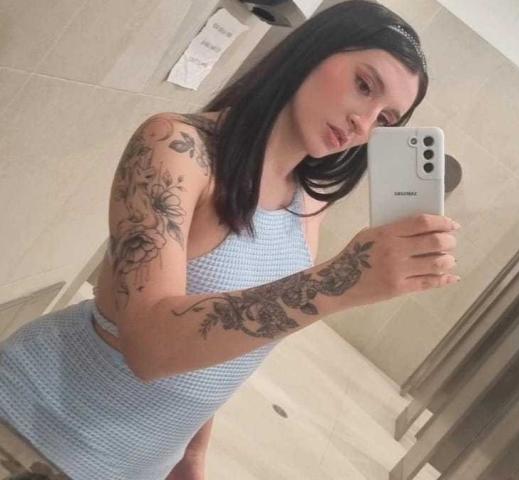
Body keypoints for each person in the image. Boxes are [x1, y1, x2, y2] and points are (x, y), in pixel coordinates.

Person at [0, 1, 460, 478]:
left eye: (386, 119)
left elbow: (229, 341)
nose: (364, 123)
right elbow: (149, 346)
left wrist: (191, 453)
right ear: (313, 51)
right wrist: (341, 282)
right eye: (364, 86)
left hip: (143, 464)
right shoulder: (178, 148)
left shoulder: (307, 205)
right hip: (33, 429)